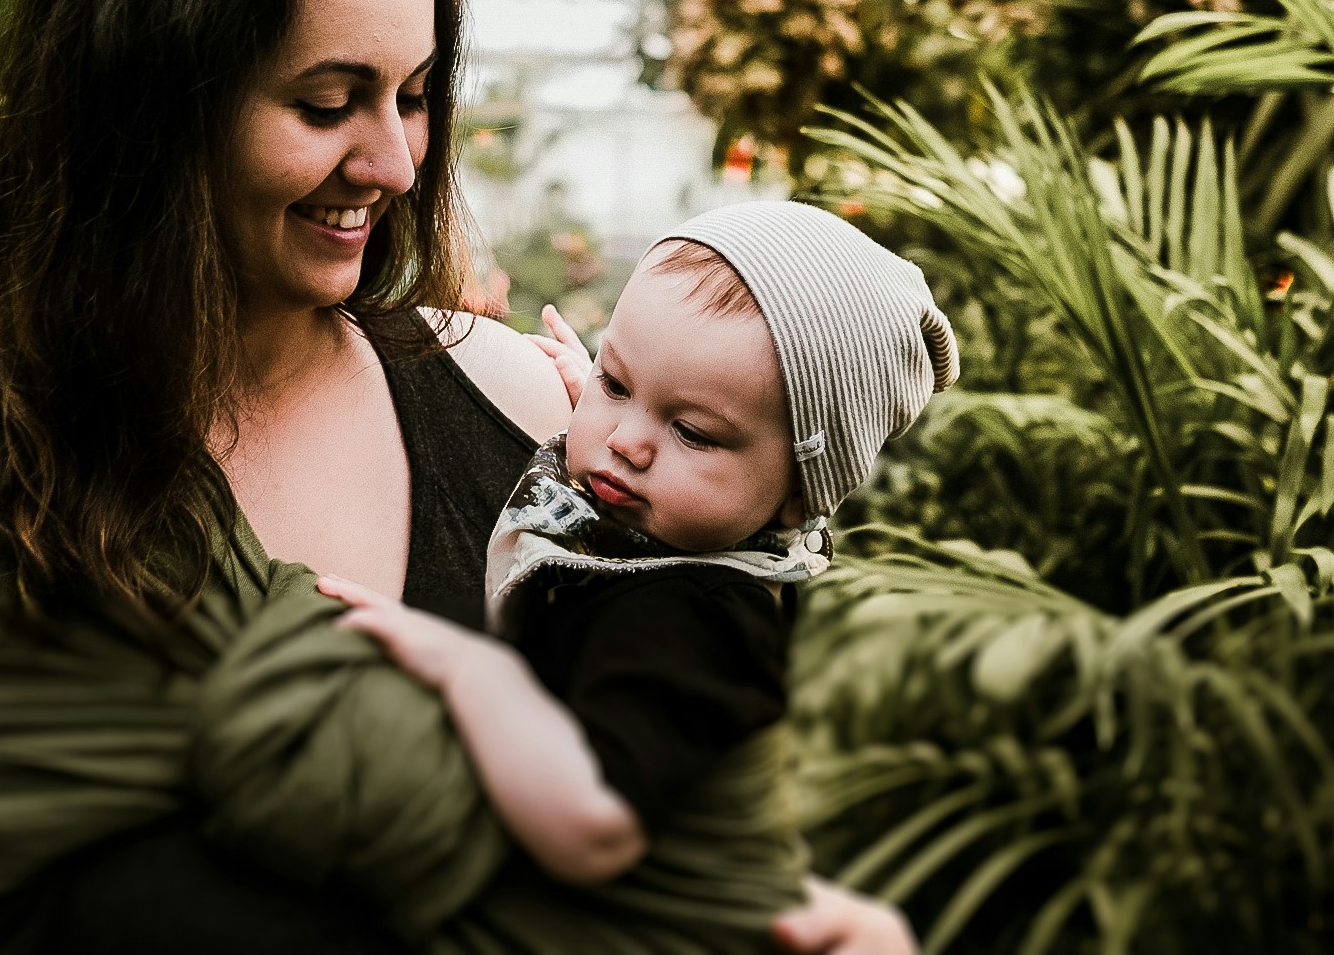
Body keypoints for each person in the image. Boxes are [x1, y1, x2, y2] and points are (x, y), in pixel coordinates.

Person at [0, 0, 917, 955]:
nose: (392, 161)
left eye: (417, 94)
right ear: (146, 109)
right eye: (326, 102)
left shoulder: (533, 415)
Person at [324, 202, 957, 889]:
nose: (624, 441)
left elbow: (596, 830)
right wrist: (602, 397)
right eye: (616, 381)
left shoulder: (698, 623)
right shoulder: (666, 515)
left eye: (693, 432)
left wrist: (473, 672)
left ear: (802, 493)